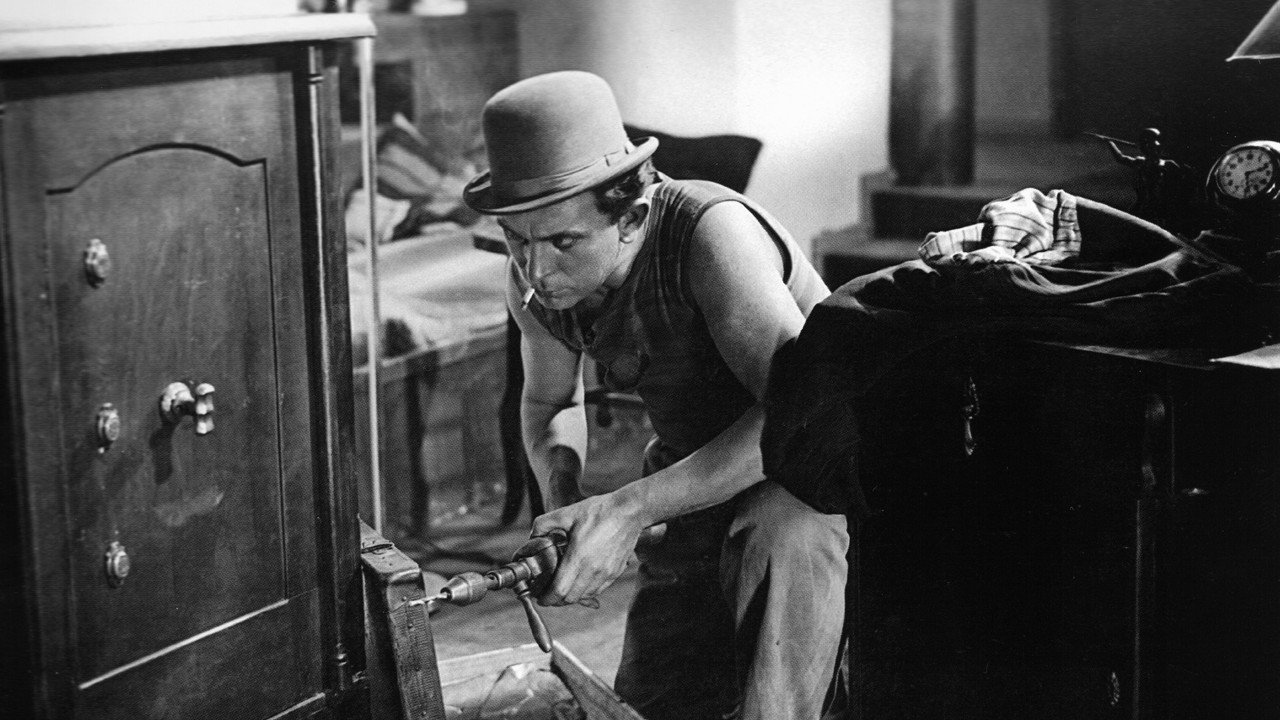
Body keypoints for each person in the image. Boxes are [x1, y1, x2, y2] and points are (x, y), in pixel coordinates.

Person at [462, 71, 849, 720]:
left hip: (811, 474)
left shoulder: (712, 236)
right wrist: (567, 501)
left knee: (777, 547)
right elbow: (551, 405)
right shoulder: (533, 278)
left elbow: (799, 416)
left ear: (631, 217)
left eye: (562, 242)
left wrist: (627, 510)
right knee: (648, 703)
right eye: (517, 240)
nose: (536, 271)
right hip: (691, 474)